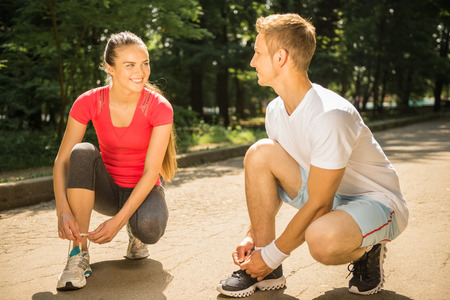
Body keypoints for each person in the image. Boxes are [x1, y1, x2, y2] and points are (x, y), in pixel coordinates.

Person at [217, 14, 408, 297]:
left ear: (280, 57)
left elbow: (320, 204)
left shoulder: (331, 115)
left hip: (376, 202)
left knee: (321, 240)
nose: (252, 62)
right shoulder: (275, 110)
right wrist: (254, 238)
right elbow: (273, 183)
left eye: (257, 53)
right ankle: (266, 273)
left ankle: (370, 247)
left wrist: (273, 254)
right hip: (329, 197)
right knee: (260, 153)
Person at [53, 31, 177, 291]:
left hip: (143, 190)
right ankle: (78, 254)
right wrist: (63, 210)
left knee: (149, 227)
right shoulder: (89, 101)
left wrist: (119, 222)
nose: (141, 72)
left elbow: (150, 172)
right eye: (130, 65)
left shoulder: (159, 107)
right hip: (106, 191)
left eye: (145, 63)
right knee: (82, 151)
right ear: (109, 68)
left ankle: (135, 230)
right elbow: (62, 161)